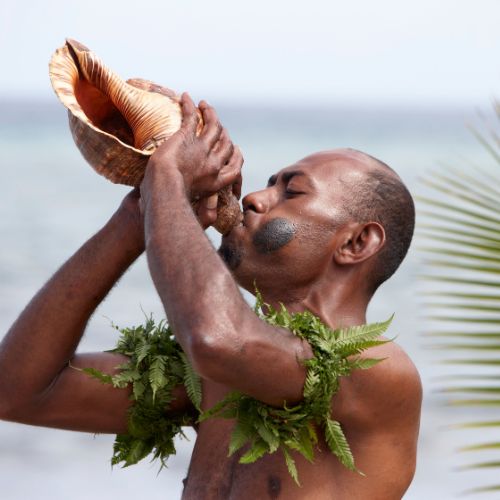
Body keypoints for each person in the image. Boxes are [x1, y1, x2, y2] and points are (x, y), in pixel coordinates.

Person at [0, 93, 421, 499]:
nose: (255, 197)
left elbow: (217, 339)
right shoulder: (217, 378)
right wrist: (136, 217)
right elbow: (18, 391)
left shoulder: (375, 371)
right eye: (269, 184)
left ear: (357, 243)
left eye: (291, 193)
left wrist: (169, 177)